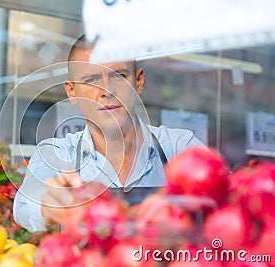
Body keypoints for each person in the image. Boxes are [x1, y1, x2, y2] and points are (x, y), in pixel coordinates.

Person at [13, 35, 205, 232]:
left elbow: (223, 200)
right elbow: (25, 206)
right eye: (92, 79)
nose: (107, 90)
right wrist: (49, 205)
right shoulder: (59, 154)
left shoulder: (179, 147)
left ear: (139, 81)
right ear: (72, 92)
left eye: (118, 75)